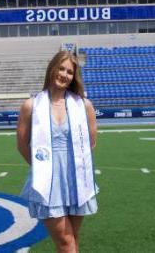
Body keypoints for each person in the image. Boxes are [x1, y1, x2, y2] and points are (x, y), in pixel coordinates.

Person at [17, 50, 98, 253]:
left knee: (72, 240)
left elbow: (91, 143)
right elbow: (22, 145)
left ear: (73, 77)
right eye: (61, 68)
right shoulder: (31, 106)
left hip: (77, 179)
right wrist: (43, 169)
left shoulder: (83, 105)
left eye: (69, 72)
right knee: (66, 242)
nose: (64, 74)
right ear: (52, 68)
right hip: (48, 182)